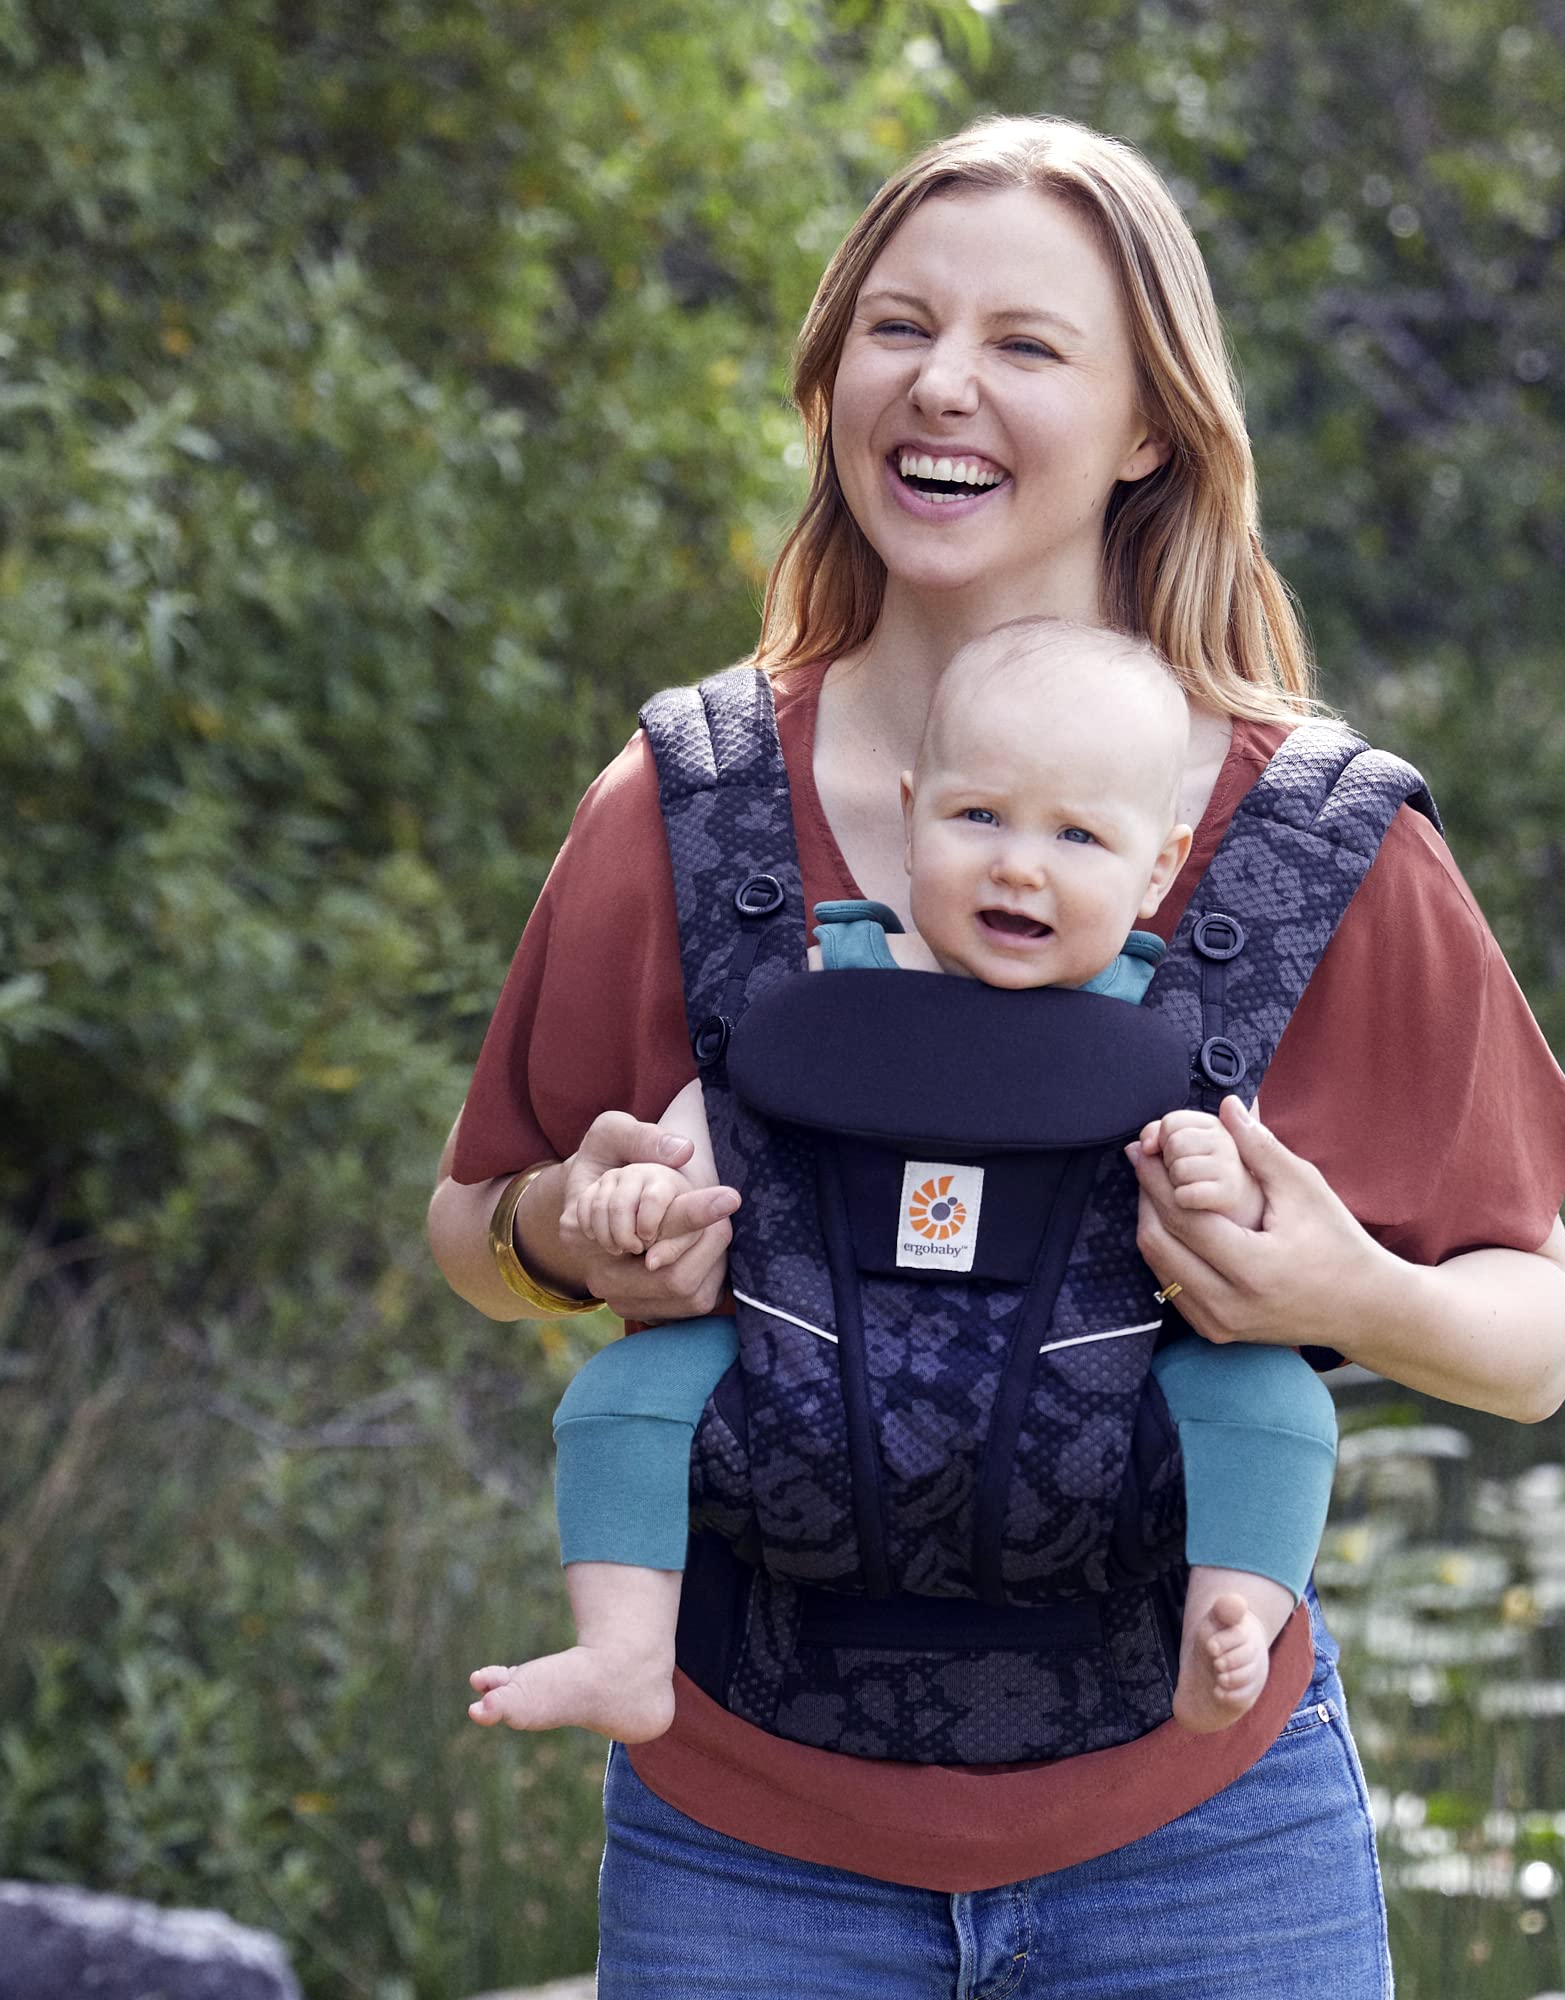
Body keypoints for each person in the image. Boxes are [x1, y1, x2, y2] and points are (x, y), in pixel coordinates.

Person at [428, 113, 1565, 1999]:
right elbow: (468, 1229)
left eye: (1027, 345)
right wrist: (578, 1228)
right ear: (831, 377)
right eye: (896, 326)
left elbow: (1540, 1341)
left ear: (1151, 425)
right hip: (746, 1852)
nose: (940, 384)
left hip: (1208, 1850)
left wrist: (1343, 1290)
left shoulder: (1321, 842)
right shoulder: (681, 805)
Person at [464, 617, 1341, 1747]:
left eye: (1077, 833)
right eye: (977, 816)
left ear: (1158, 866)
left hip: (1096, 1420)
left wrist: (1219, 1182)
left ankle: (1229, 1618)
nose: (1018, 862)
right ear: (913, 813)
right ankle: (625, 1649)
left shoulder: (1168, 1048)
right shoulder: (825, 990)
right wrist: (634, 1201)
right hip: (798, 1382)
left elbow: (1259, 1226)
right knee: (621, 1395)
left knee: (1273, 1401)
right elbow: (701, 1128)